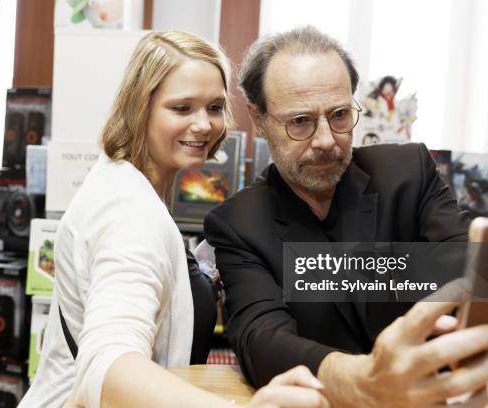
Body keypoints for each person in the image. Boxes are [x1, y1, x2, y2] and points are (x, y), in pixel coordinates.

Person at [203, 26, 488, 407]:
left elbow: (470, 273)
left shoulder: (408, 174)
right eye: (300, 122)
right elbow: (261, 340)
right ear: (258, 119)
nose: (326, 140)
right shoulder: (238, 223)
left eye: (340, 115)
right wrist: (364, 380)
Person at [19, 31, 330, 408]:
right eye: (182, 108)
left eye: (214, 107)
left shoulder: (126, 182)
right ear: (140, 107)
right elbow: (108, 364)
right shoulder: (129, 214)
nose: (203, 124)